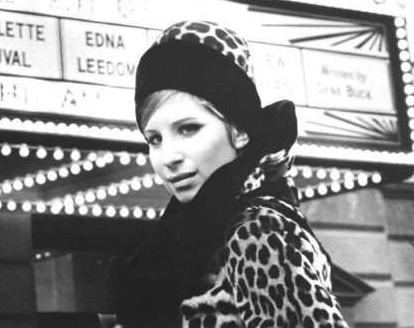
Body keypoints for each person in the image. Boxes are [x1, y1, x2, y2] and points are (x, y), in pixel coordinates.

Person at [111, 20, 349, 328]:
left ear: (240, 133)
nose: (168, 157)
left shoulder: (260, 230)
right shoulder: (204, 232)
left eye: (188, 129)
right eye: (154, 139)